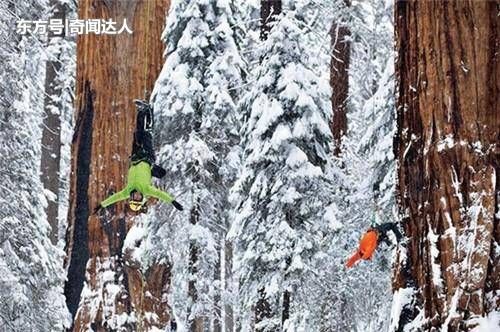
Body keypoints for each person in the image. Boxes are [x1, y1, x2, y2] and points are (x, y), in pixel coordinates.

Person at [95, 100, 183, 214]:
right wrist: (173, 202)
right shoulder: (147, 190)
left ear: (131, 198)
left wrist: (102, 205)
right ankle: (149, 110)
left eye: (134, 198)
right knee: (147, 133)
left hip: (136, 157)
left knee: (138, 134)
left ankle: (141, 111)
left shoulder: (127, 191)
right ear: (142, 198)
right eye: (138, 199)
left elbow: (115, 198)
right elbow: (161, 194)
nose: (136, 196)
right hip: (147, 157)